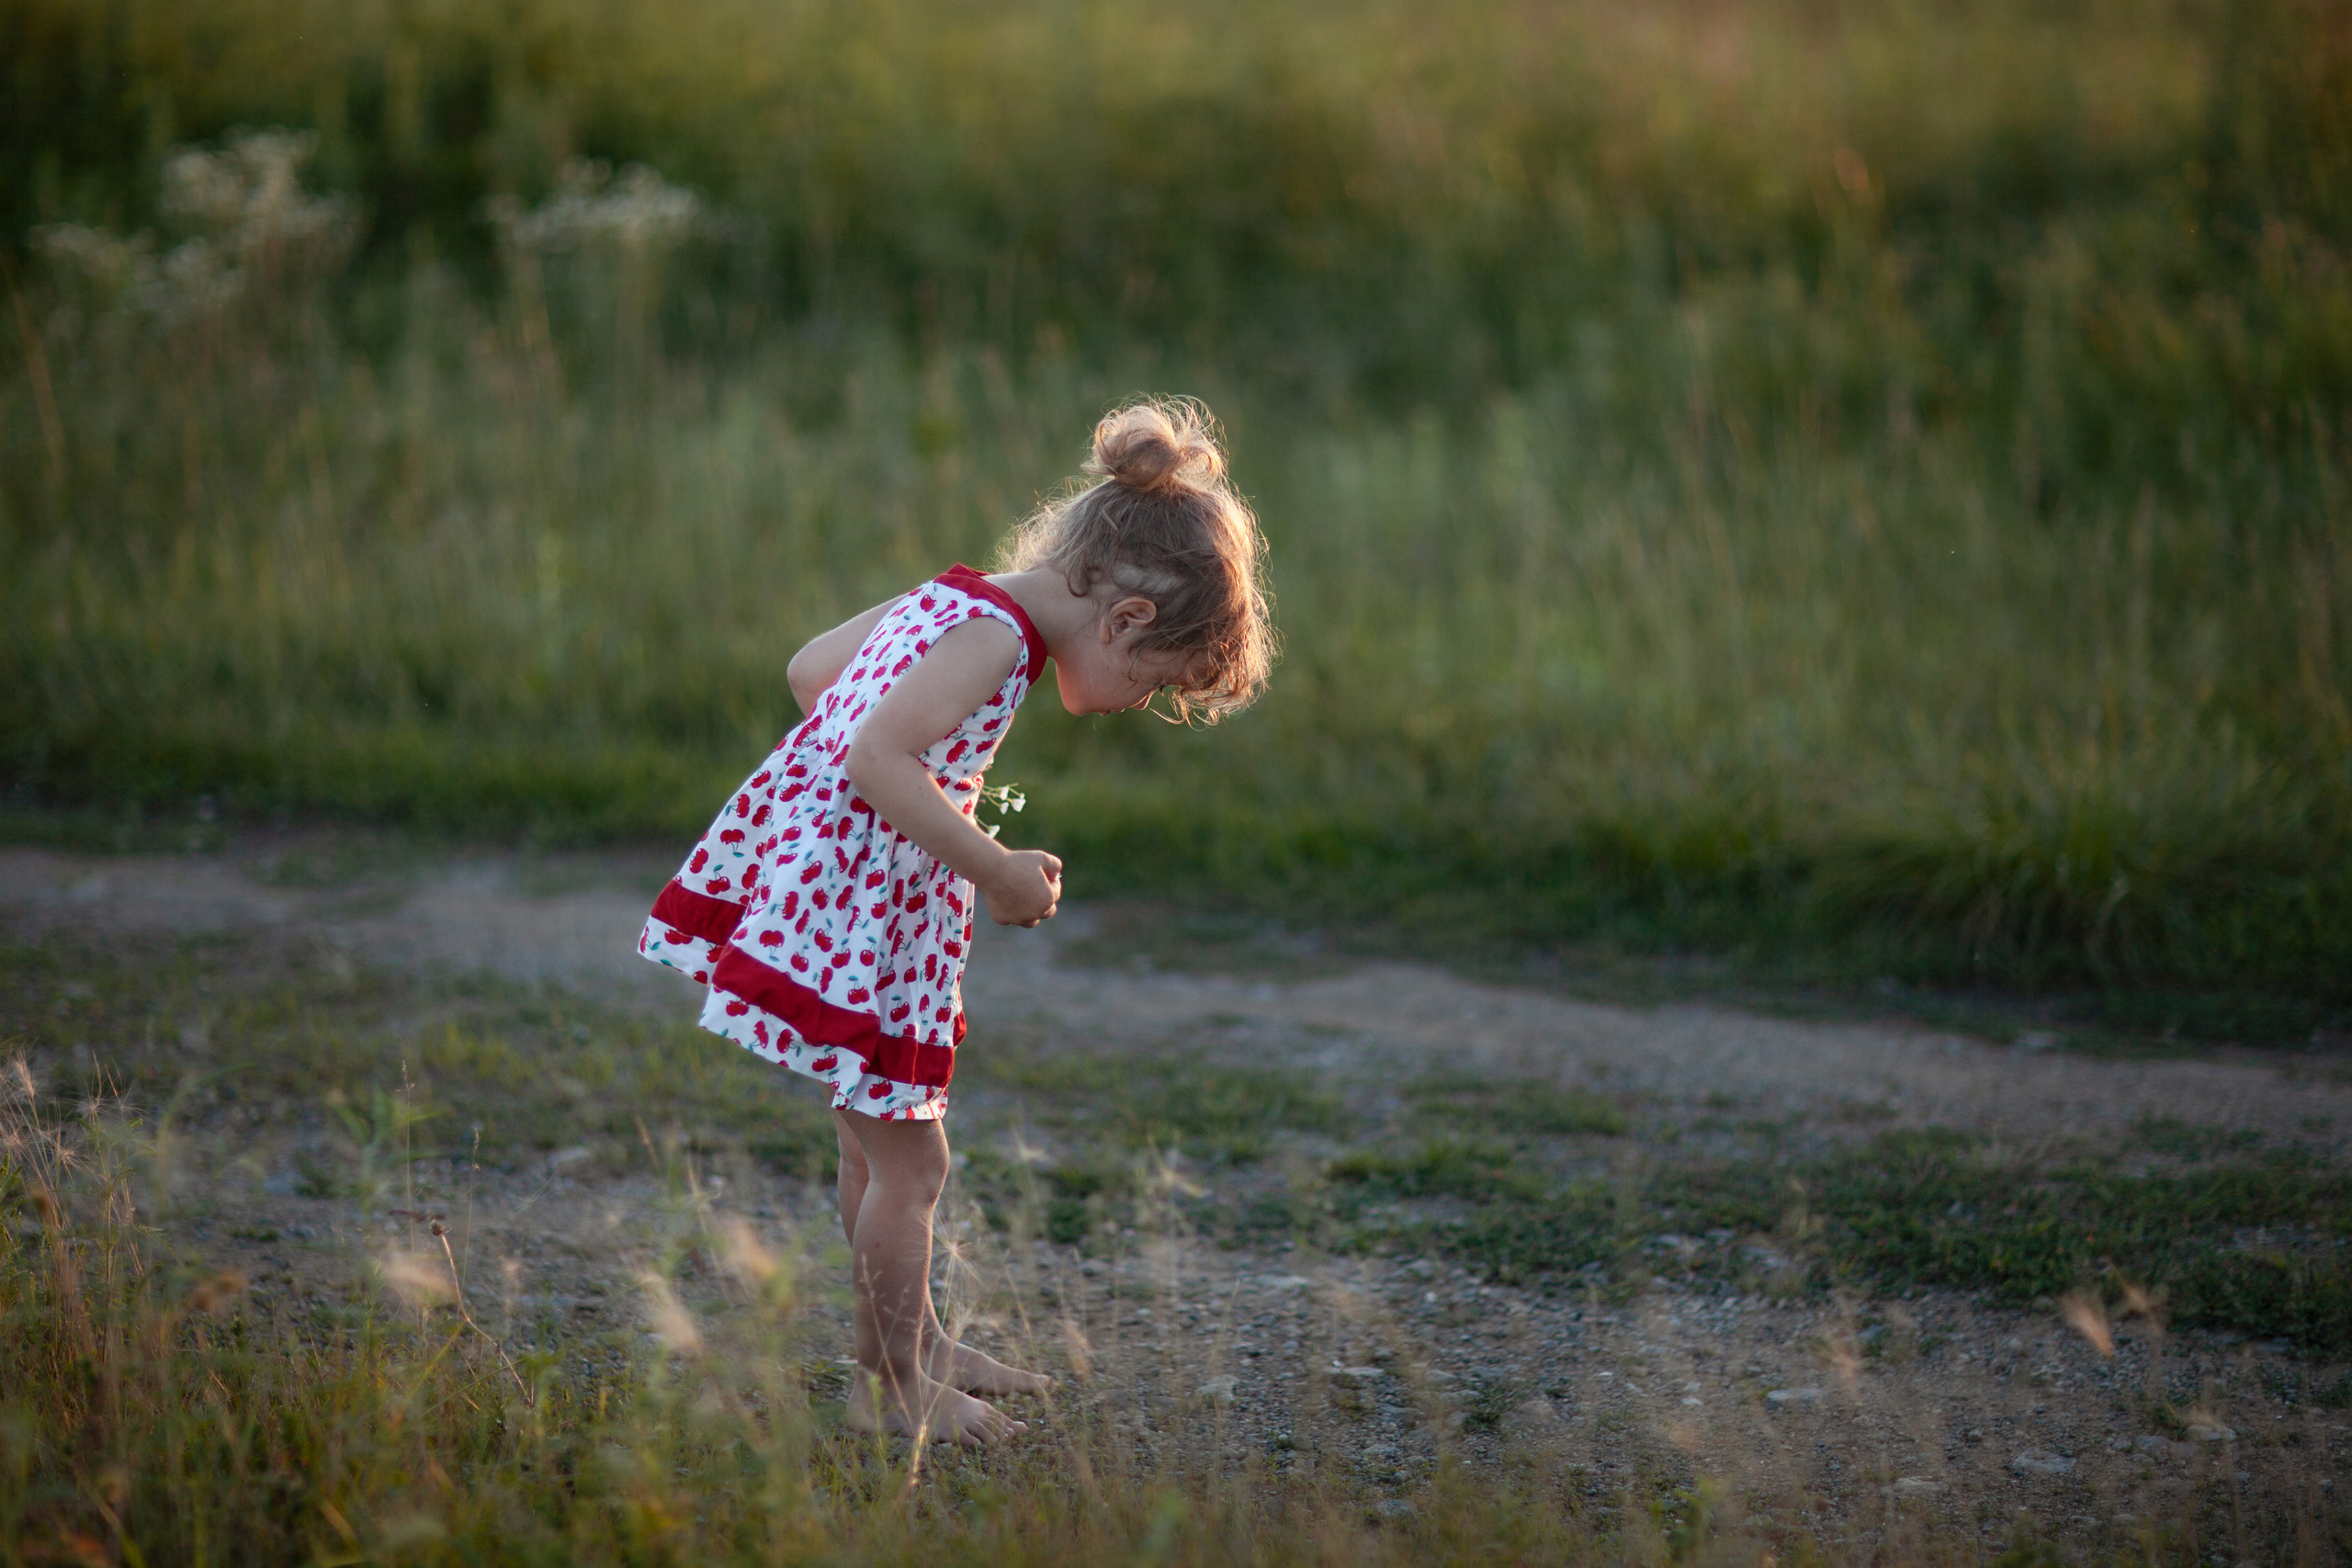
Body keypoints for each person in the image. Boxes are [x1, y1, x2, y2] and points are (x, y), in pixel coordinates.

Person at [638, 399, 1274, 1445]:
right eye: (1153, 685)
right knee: (913, 1165)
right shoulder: (996, 640)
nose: (1134, 705)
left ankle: (916, 1344)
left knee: (871, 1137)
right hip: (860, 909)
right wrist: (992, 868)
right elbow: (876, 755)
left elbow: (811, 675)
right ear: (1125, 623)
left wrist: (858, 822)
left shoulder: (953, 603)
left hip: (844, 900)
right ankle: (886, 1386)